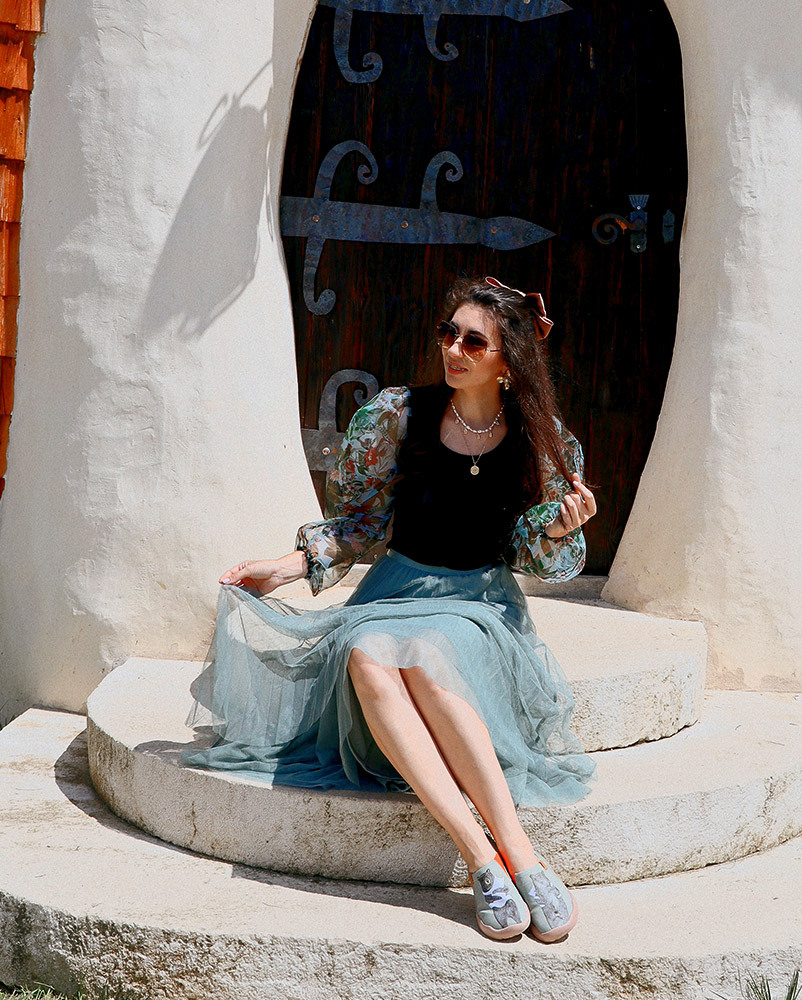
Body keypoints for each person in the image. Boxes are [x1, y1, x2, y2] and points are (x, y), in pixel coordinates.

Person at [182, 276, 598, 943]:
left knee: (425, 659)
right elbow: (359, 525)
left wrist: (554, 529)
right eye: (448, 333)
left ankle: (521, 852)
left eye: (473, 341)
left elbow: (530, 553)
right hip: (396, 591)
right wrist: (286, 568)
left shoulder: (540, 440)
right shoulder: (397, 416)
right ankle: (481, 856)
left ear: (507, 361)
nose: (453, 349)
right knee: (366, 653)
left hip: (479, 604)